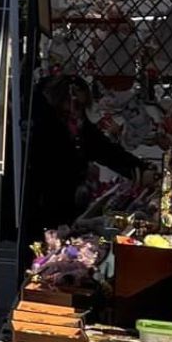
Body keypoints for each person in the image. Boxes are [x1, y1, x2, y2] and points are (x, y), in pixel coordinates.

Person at [23, 75, 145, 235]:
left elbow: (105, 150)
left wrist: (138, 168)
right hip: (43, 202)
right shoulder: (43, 124)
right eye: (76, 104)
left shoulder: (77, 124)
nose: (79, 111)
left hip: (64, 201)